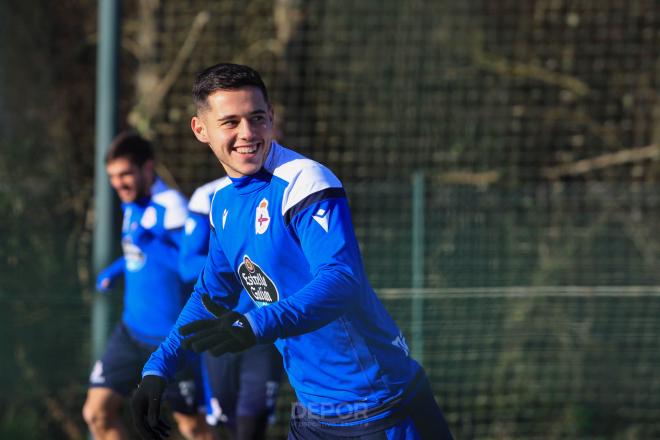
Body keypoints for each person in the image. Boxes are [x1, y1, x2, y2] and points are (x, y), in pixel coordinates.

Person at [131, 63, 454, 440]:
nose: (247, 133)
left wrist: (254, 324)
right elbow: (210, 296)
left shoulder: (304, 181)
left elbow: (341, 280)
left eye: (256, 118)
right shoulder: (221, 204)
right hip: (314, 415)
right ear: (200, 129)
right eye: (230, 122)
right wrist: (157, 370)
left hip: (381, 406)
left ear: (271, 117)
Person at [82, 132, 217, 440]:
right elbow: (136, 250)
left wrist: (150, 243)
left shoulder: (172, 207)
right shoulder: (131, 202)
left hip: (173, 342)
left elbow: (190, 269)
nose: (119, 183)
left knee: (194, 428)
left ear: (147, 168)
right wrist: (114, 271)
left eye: (125, 174)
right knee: (96, 412)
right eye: (113, 177)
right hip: (131, 333)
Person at [180, 178, 283, 439]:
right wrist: (233, 260)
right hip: (220, 331)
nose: (248, 136)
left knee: (252, 426)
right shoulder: (207, 196)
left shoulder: (290, 189)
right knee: (229, 424)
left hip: (264, 331)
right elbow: (187, 265)